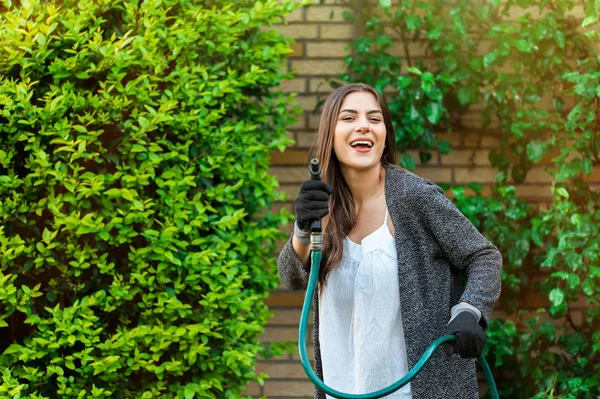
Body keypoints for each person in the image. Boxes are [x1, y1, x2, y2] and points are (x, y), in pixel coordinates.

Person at [277, 83, 502, 399]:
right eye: (349, 118)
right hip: (342, 389)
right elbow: (292, 277)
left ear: (384, 135)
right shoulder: (324, 205)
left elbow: (483, 255)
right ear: (330, 133)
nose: (363, 126)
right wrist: (302, 229)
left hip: (417, 390)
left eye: (374, 118)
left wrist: (469, 308)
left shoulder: (414, 197)